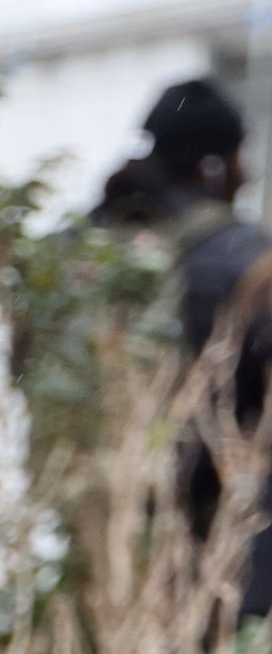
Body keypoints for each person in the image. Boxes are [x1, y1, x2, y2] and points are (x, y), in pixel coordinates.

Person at [95, 77, 272, 616]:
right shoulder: (247, 260)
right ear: (216, 165)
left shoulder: (78, 247)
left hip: (94, 531)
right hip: (208, 546)